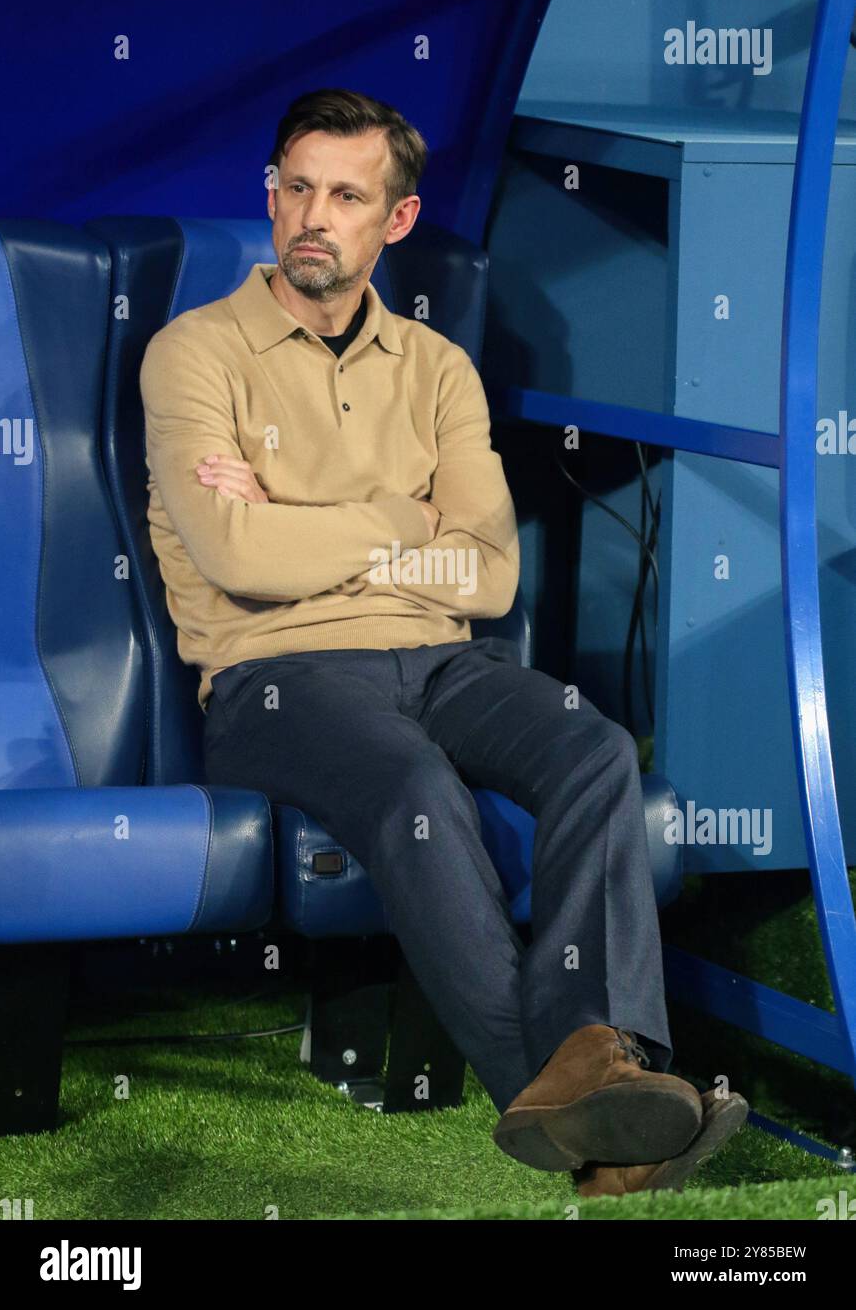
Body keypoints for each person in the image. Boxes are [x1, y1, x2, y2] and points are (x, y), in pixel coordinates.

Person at [139, 87, 747, 1196]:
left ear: (396, 221)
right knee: (417, 786)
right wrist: (398, 523)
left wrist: (306, 521)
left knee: (595, 749)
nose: (313, 215)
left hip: (446, 660)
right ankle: (584, 1112)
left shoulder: (436, 369)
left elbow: (489, 573)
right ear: (270, 197)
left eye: (346, 195)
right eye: (297, 188)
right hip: (278, 681)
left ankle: (606, 1064)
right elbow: (239, 558)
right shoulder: (195, 354)